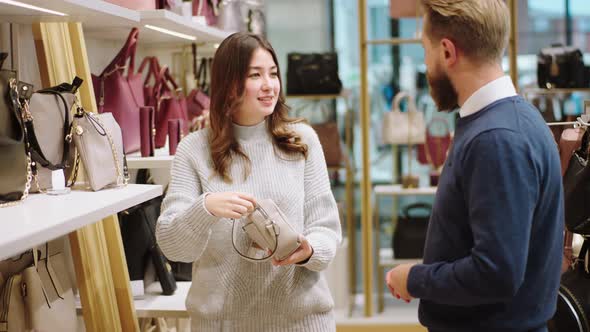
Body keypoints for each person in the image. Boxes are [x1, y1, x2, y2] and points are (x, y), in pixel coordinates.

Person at [386, 1, 564, 331]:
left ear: (448, 52)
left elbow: (496, 272)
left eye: (425, 51)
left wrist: (415, 279)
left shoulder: (496, 138)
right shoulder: (505, 123)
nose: (426, 65)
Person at [156, 32, 342, 332]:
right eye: (255, 75)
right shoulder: (193, 149)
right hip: (221, 324)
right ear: (229, 84)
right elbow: (173, 246)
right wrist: (205, 208)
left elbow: (327, 229)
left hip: (301, 322)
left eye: (273, 73)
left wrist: (308, 249)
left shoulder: (301, 141)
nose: (269, 85)